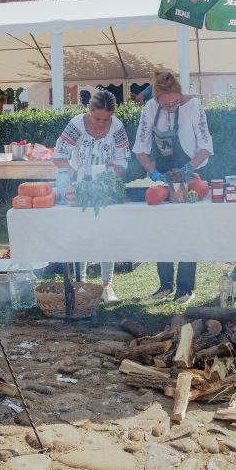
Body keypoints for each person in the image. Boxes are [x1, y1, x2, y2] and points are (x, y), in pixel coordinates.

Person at [132, 71, 213, 304]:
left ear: (180, 94)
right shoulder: (150, 108)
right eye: (165, 104)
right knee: (162, 229)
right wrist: (152, 172)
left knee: (188, 229)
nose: (171, 107)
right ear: (156, 98)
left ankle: (185, 288)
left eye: (175, 103)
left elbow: (206, 147)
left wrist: (188, 169)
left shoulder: (193, 107)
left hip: (191, 173)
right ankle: (165, 285)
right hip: (163, 175)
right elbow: (140, 149)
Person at [52, 90, 130, 305]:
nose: (102, 123)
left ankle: (107, 286)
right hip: (79, 187)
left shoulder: (117, 127)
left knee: (106, 234)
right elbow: (59, 156)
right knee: (81, 234)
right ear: (89, 110)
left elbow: (123, 160)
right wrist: (76, 176)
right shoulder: (76, 125)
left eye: (107, 119)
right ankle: (81, 285)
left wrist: (107, 178)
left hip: (105, 186)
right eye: (98, 119)